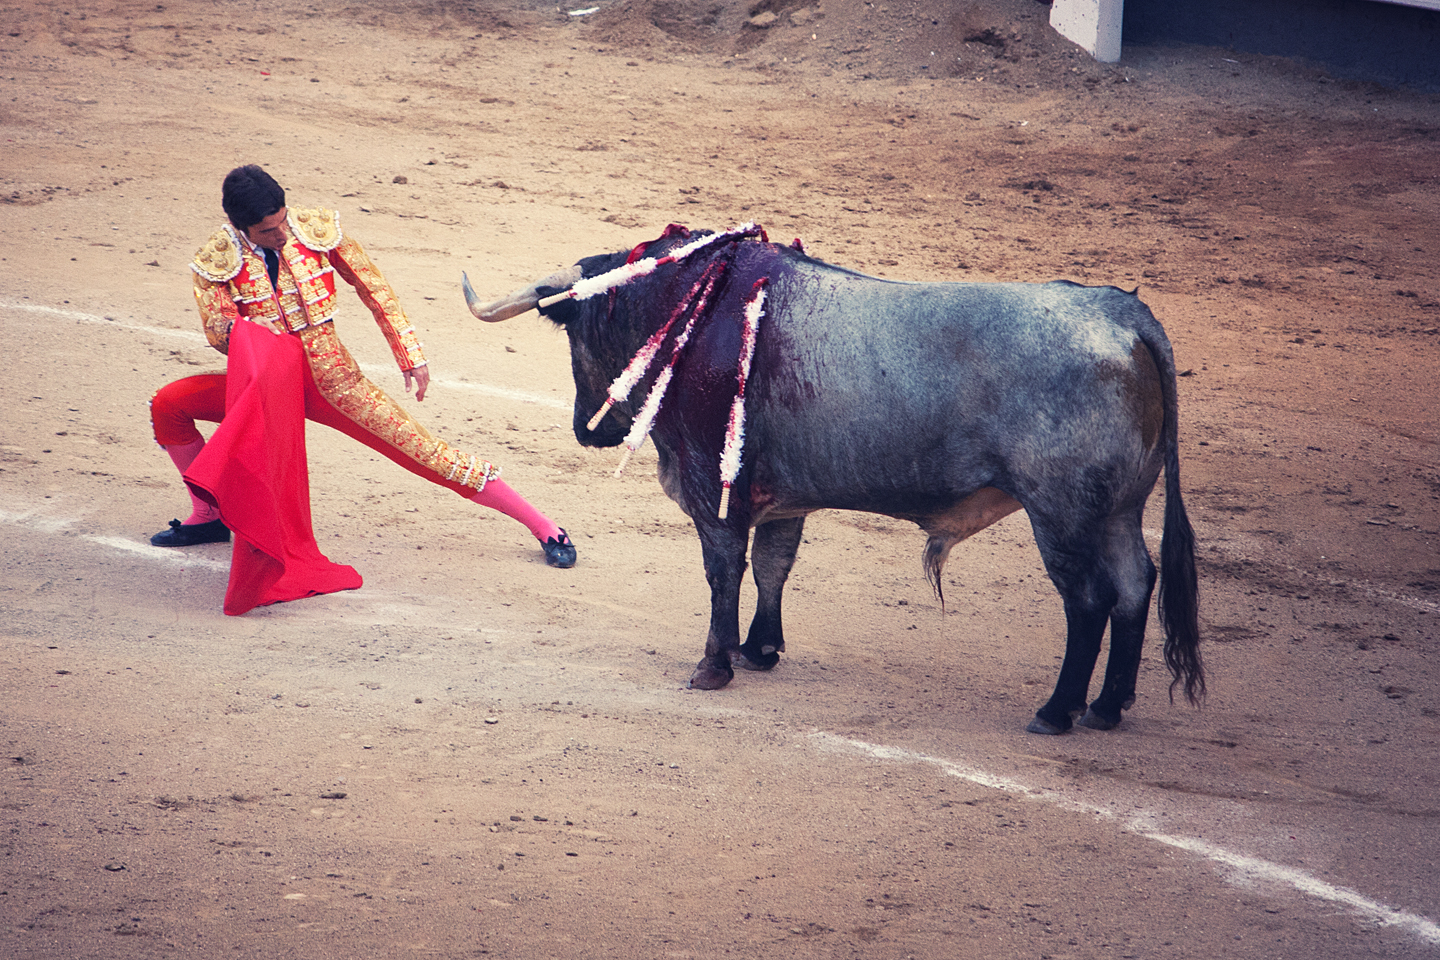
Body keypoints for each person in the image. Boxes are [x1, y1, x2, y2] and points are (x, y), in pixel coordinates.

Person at [164, 164, 574, 609]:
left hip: (333, 381)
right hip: (265, 390)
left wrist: (409, 351)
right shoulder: (215, 261)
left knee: (425, 452)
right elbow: (216, 326)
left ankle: (544, 526)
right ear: (239, 227)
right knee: (168, 404)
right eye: (268, 231)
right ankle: (207, 516)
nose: (282, 234)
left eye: (283, 221)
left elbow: (373, 287)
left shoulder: (316, 230)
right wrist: (243, 328)